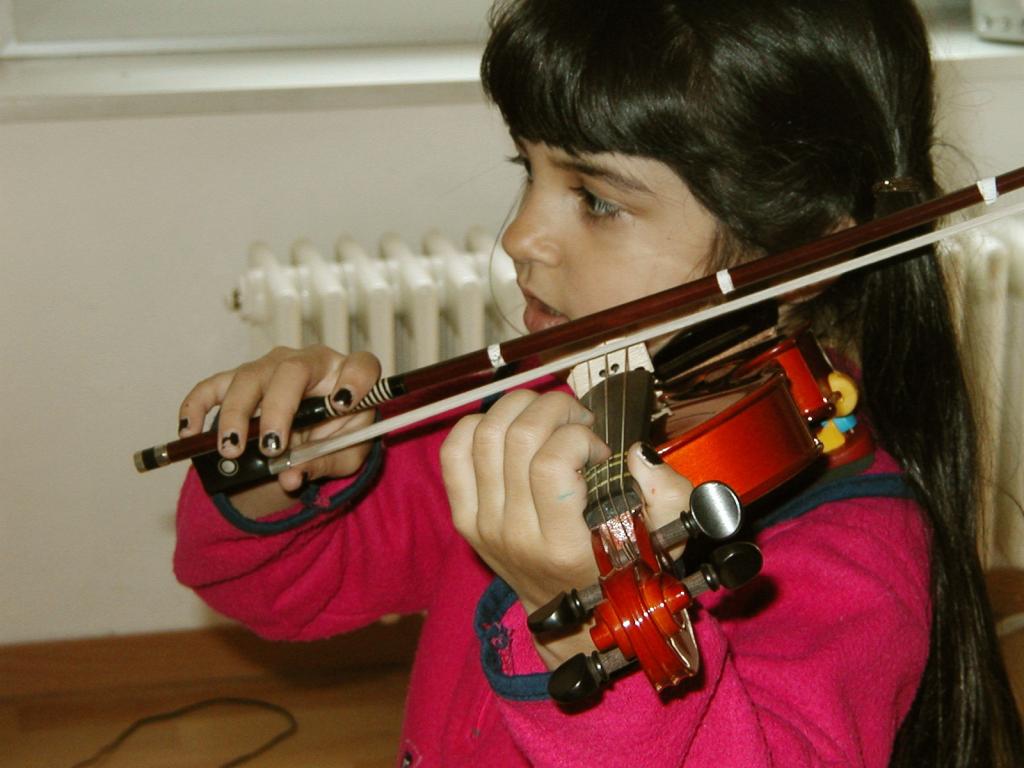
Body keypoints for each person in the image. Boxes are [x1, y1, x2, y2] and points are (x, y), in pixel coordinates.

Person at [172, 1, 1024, 765]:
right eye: (528, 173)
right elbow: (277, 589)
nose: (520, 237)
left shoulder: (846, 556)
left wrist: (586, 618)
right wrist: (293, 474)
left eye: (597, 199)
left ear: (804, 254)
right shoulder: (544, 413)